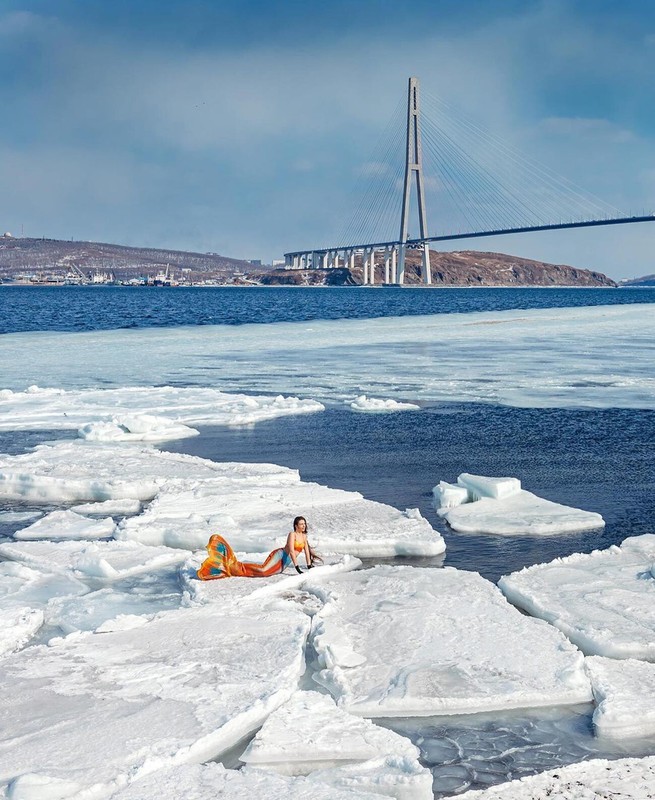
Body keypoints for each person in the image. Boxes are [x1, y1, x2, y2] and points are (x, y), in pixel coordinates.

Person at [196, 516, 320, 580]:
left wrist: (309, 565)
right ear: (295, 525)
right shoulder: (292, 535)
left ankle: (238, 568)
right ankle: (235, 567)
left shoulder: (304, 536)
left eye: (304, 524)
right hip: (280, 556)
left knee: (266, 573)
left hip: (284, 563)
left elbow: (307, 552)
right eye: (301, 524)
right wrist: (297, 567)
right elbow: (292, 551)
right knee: (263, 570)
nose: (303, 526)